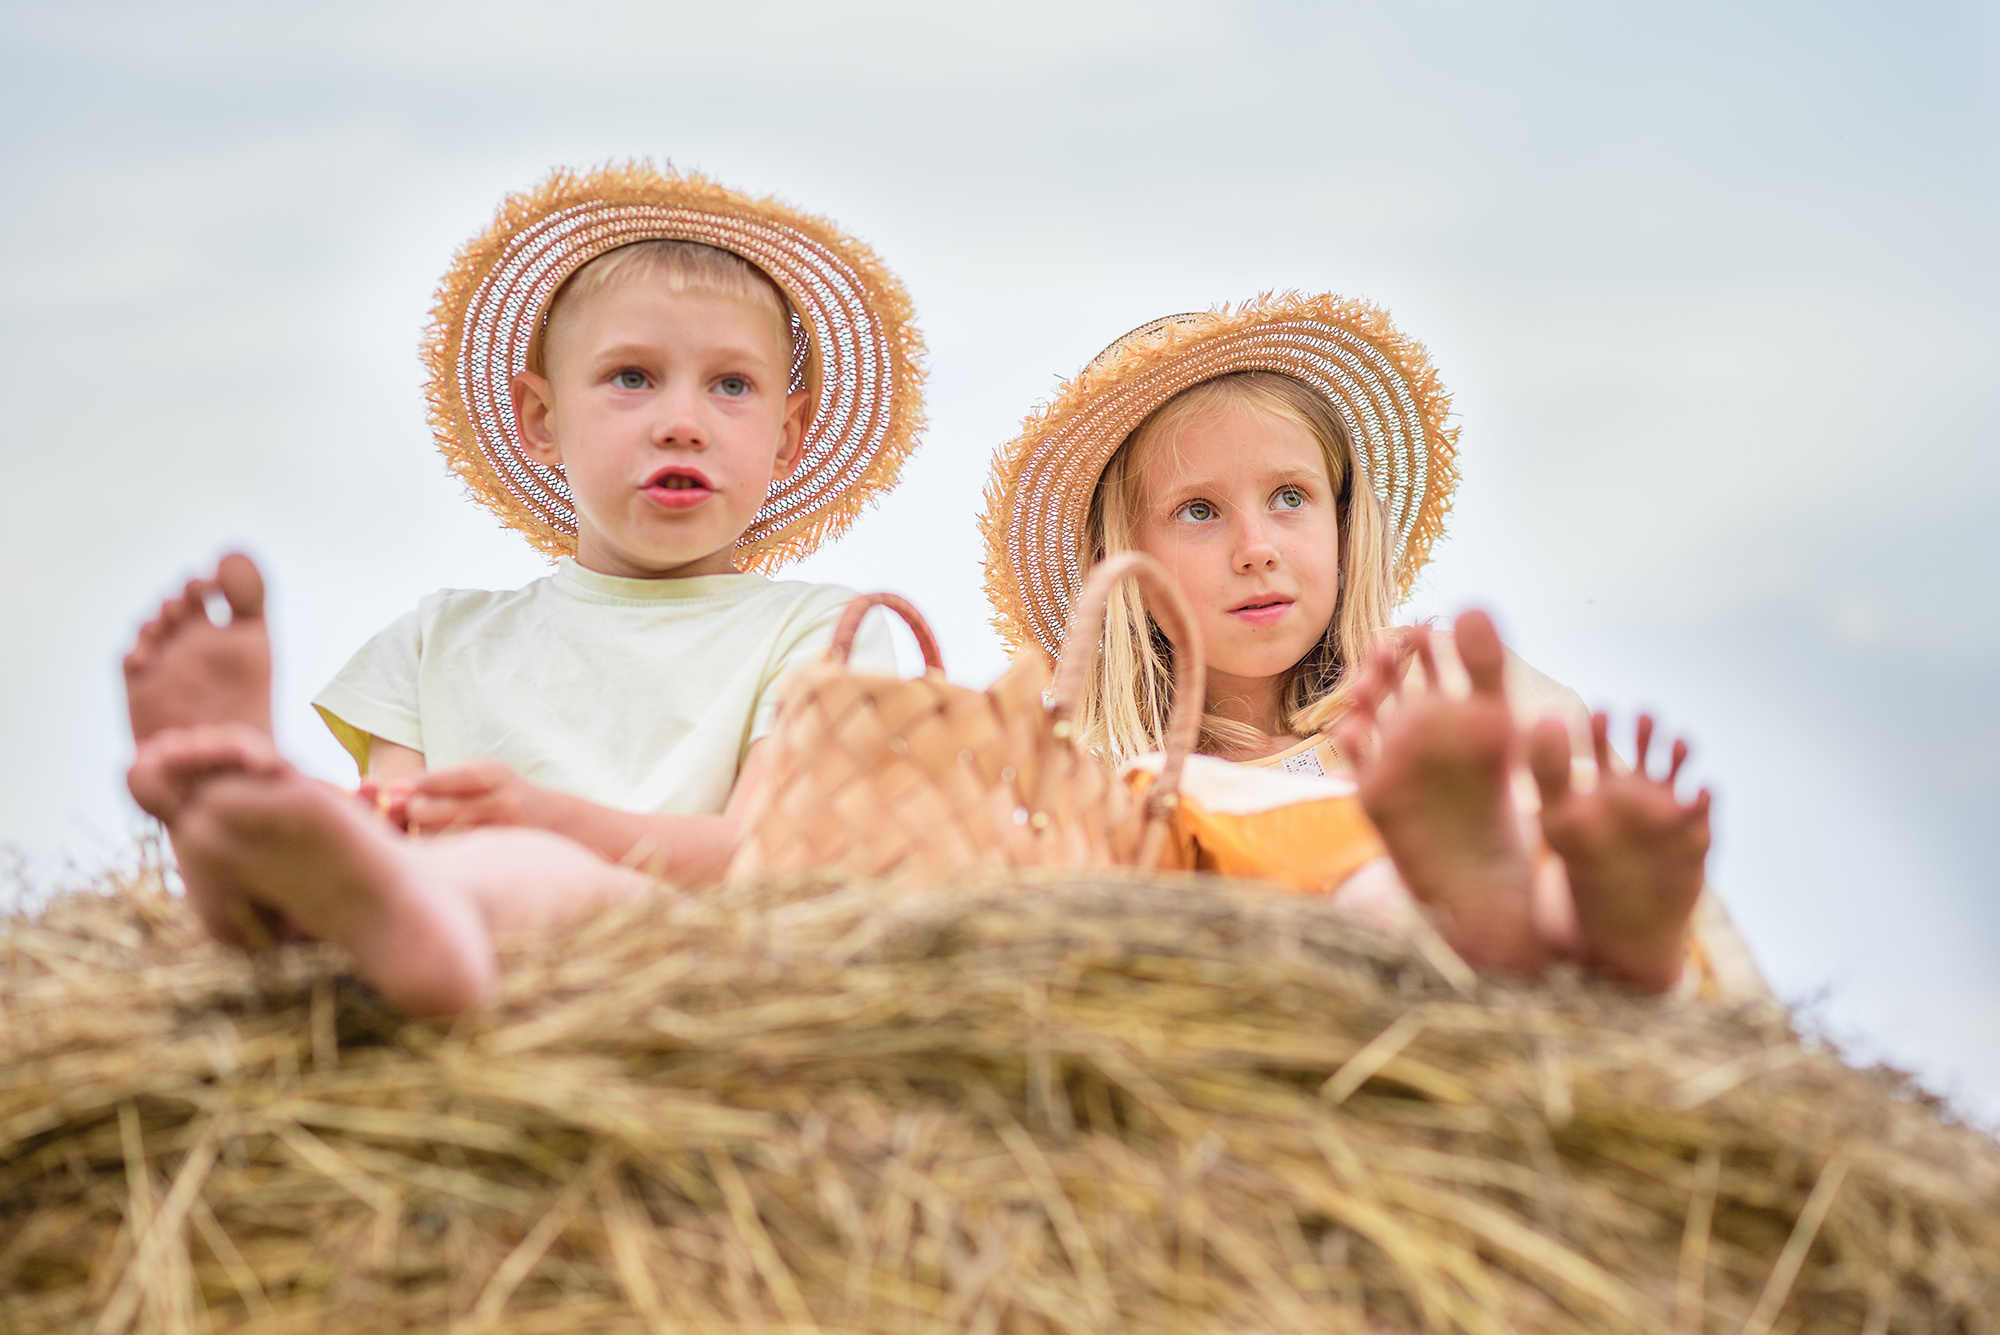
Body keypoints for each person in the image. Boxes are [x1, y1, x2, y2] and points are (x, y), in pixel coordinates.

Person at [121, 164, 925, 1016]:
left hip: (672, 946)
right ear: (542, 419)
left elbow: (762, 855)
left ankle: (385, 914)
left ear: (788, 435)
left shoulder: (821, 631)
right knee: (346, 840)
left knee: (529, 867)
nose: (682, 422)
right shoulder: (437, 638)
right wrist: (337, 812)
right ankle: (234, 812)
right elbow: (391, 821)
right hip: (420, 886)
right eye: (632, 377)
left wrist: (545, 821)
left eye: (732, 385)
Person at [980, 295, 1759, 997]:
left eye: (1290, 497)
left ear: (1346, 523)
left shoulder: (1432, 693)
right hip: (1304, 982)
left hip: (1524, 913)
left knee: (1546, 823)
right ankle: (1480, 918)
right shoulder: (1100, 781)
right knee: (1369, 896)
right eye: (1199, 511)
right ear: (1124, 561)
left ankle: (1602, 932)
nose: (1256, 548)